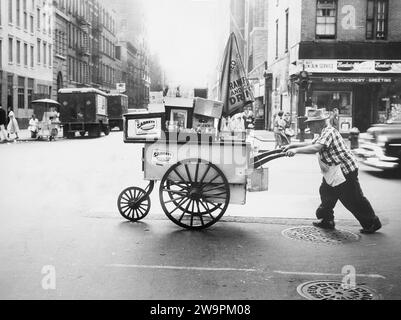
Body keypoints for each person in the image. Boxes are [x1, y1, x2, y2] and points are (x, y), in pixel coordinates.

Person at [284, 109, 382, 234]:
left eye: (311, 123)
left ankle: (372, 222)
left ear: (319, 122)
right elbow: (310, 144)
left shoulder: (329, 131)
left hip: (345, 171)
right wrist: (291, 146)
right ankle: (327, 220)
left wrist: (296, 151)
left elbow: (316, 147)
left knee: (353, 198)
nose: (309, 126)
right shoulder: (322, 133)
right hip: (333, 171)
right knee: (326, 193)